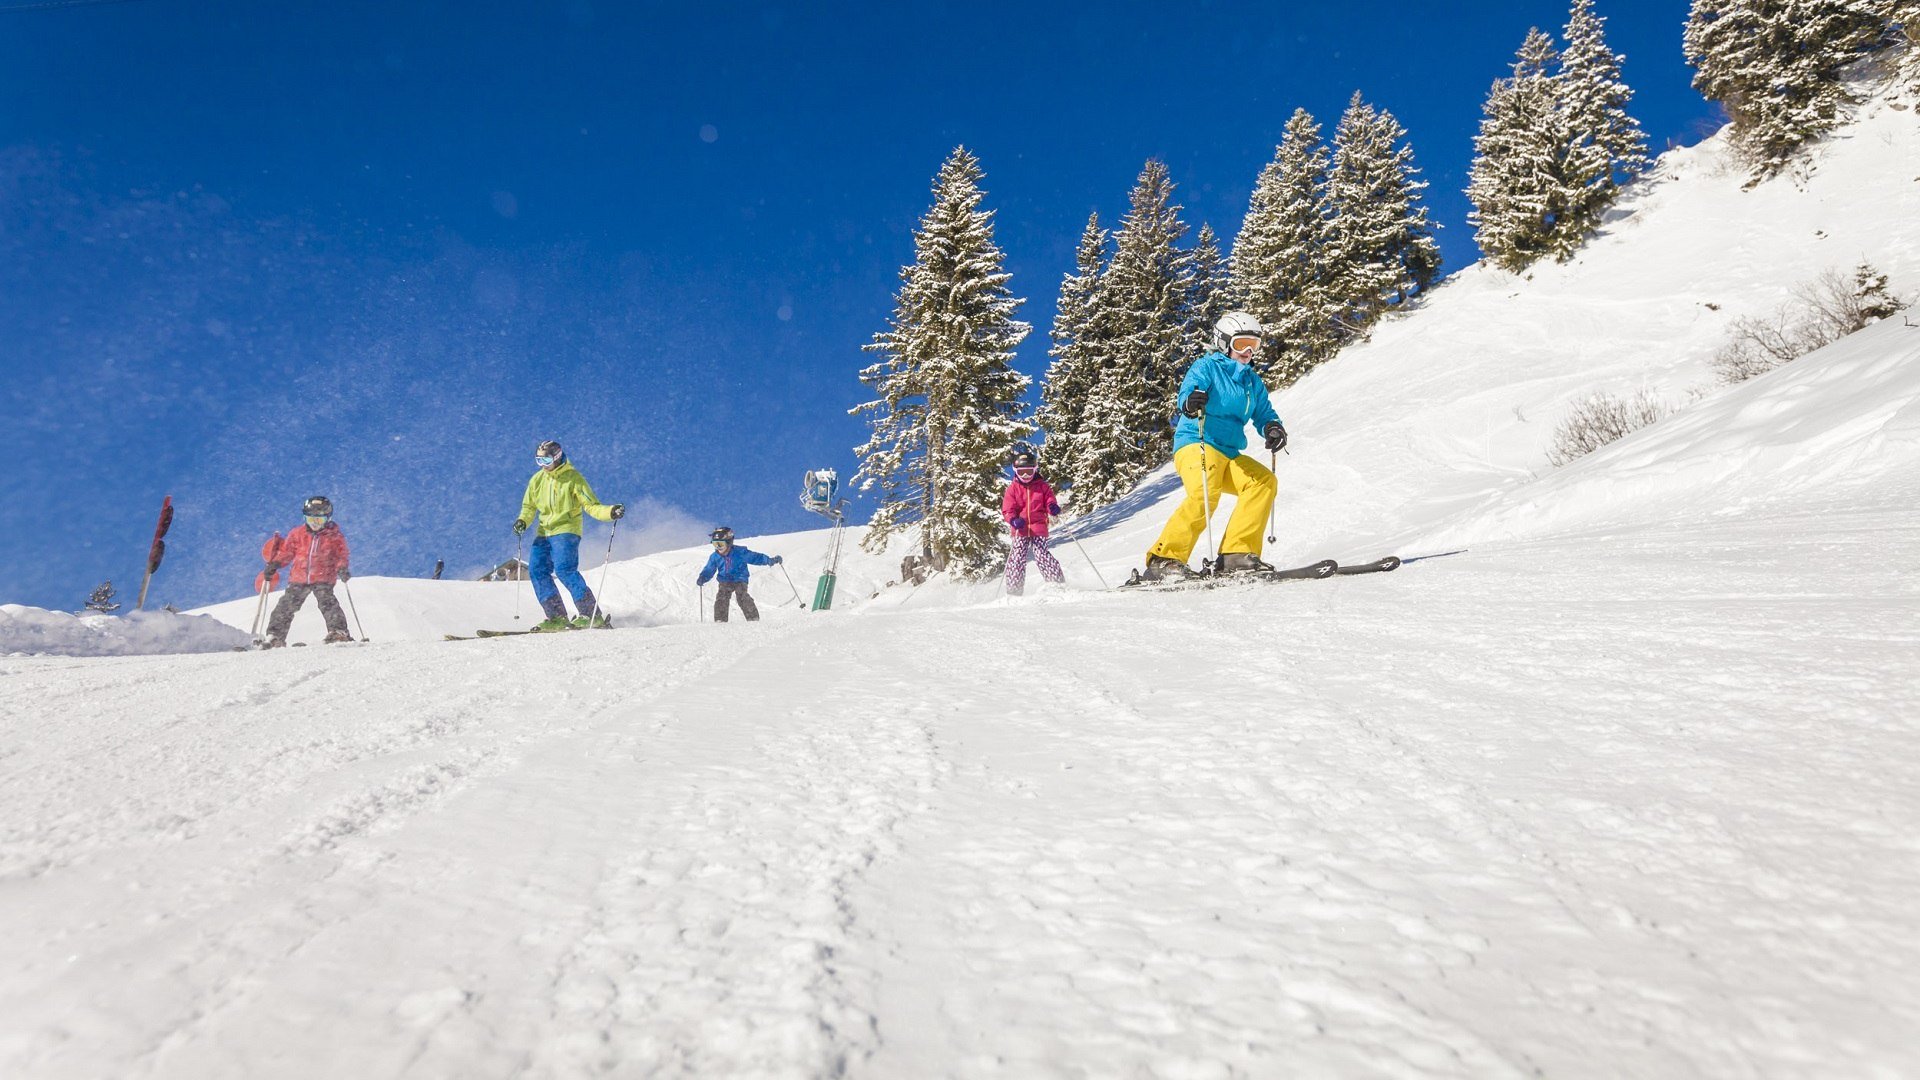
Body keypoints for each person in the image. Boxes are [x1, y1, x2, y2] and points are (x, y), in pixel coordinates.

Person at [1141, 311, 1290, 581]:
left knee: (1263, 482)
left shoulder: (1251, 382)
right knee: (1205, 494)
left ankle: (1236, 555)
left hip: (1228, 452)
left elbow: (1264, 412)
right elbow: (1189, 391)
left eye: (1254, 345)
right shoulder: (1207, 367)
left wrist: (1272, 427)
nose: (1247, 351)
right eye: (1241, 343)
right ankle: (1164, 559)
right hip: (1196, 442)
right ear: (1224, 343)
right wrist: (1191, 401)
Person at [513, 439, 625, 631]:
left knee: (564, 570)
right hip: (543, 532)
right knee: (537, 571)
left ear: (557, 457)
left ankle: (590, 614)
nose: (543, 466)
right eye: (539, 462)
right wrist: (523, 520)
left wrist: (610, 512)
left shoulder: (573, 478)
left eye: (546, 461)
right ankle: (556, 616)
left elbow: (591, 505)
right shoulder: (537, 480)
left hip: (566, 530)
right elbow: (529, 507)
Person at [262, 496, 353, 646]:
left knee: (328, 603)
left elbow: (341, 555)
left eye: (319, 520)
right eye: (311, 519)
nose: (315, 524)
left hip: (323, 577)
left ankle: (338, 632)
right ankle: (275, 636)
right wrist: (276, 564)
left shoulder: (334, 536)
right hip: (299, 578)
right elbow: (287, 552)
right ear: (305, 517)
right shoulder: (297, 534)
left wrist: (342, 567)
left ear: (328, 518)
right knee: (286, 605)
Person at [1002, 450, 1065, 596]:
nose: (1025, 476)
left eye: (1029, 472)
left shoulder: (1042, 486)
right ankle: (1014, 591)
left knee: (1041, 554)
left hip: (1038, 527)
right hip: (1020, 528)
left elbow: (1049, 499)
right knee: (1017, 557)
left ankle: (1057, 583)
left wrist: (1052, 507)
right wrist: (1013, 519)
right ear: (1015, 471)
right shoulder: (1012, 489)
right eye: (1022, 472)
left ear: (1035, 470)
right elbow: (1007, 509)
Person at [695, 526, 781, 623]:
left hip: (740, 579)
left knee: (742, 596)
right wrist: (703, 577)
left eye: (720, 544)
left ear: (729, 543)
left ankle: (753, 618)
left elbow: (755, 557)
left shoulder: (740, 552)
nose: (718, 547)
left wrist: (769, 560)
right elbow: (709, 569)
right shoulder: (715, 557)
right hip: (725, 580)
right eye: (715, 544)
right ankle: (720, 620)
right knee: (722, 597)